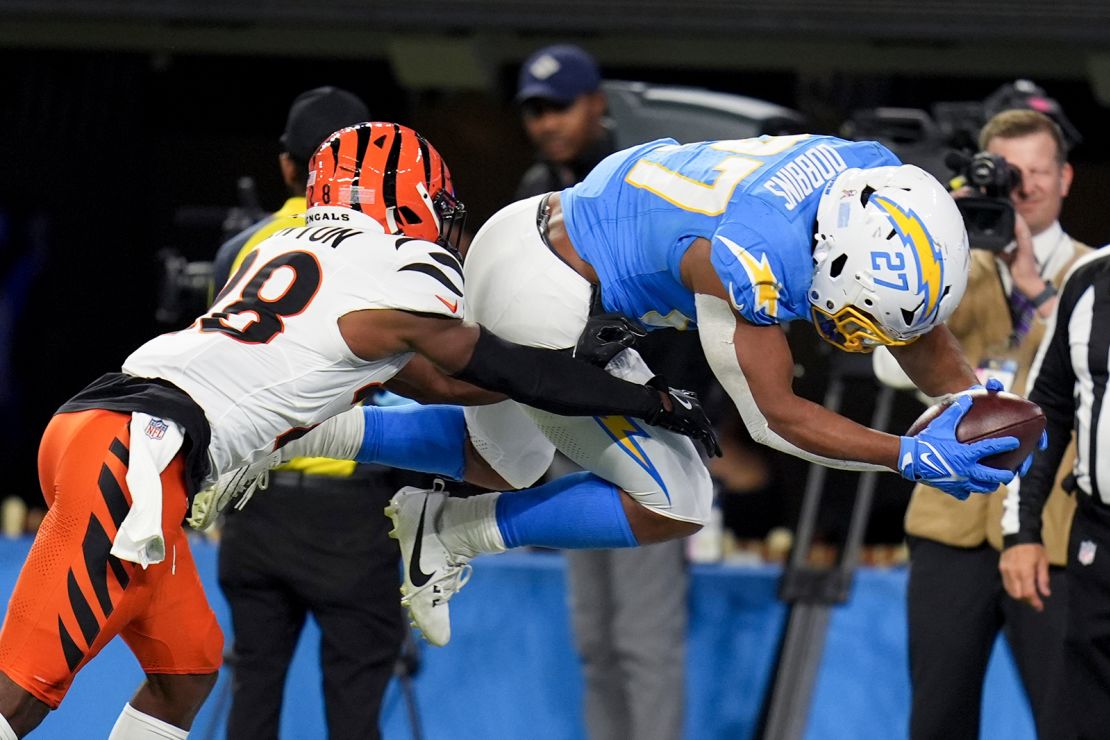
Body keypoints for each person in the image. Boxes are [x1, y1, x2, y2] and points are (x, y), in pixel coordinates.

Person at [0, 121, 714, 739]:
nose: (443, 223)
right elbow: (498, 371)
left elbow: (439, 383)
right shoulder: (399, 264)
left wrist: (566, 369)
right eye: (437, 206)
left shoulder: (280, 251)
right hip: (138, 452)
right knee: (21, 693)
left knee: (187, 667)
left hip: (112, 427)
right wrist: (649, 401)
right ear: (405, 199)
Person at [235, 132, 1032, 654]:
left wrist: (970, 398)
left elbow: (913, 324)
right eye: (851, 314)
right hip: (550, 291)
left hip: (542, 236)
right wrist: (906, 455)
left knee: (501, 453)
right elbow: (774, 417)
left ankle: (304, 440)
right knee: (678, 497)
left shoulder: (863, 175)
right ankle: (440, 527)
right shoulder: (748, 254)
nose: (852, 333)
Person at [877, 108, 1089, 740]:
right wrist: (933, 236)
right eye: (1007, 173)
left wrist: (1030, 281)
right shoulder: (949, 271)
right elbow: (888, 365)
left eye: (1038, 172)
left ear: (1066, 177)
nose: (1023, 187)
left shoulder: (1091, 273)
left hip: (1053, 529)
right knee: (938, 718)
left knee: (1070, 717)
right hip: (951, 526)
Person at [212, 86, 407, 740]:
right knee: (355, 714)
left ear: (289, 167)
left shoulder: (241, 252)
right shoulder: (392, 254)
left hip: (254, 509)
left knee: (252, 698)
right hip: (352, 514)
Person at [515, 45, 687, 740]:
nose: (548, 122)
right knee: (595, 640)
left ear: (597, 105)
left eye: (560, 107)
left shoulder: (644, 181)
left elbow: (688, 302)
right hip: (570, 432)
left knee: (645, 641)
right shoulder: (533, 192)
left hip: (647, 433)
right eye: (535, 110)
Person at [999, 245, 1110, 740]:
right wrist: (1022, 529)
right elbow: (1047, 411)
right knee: (1080, 717)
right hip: (1100, 538)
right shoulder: (1088, 278)